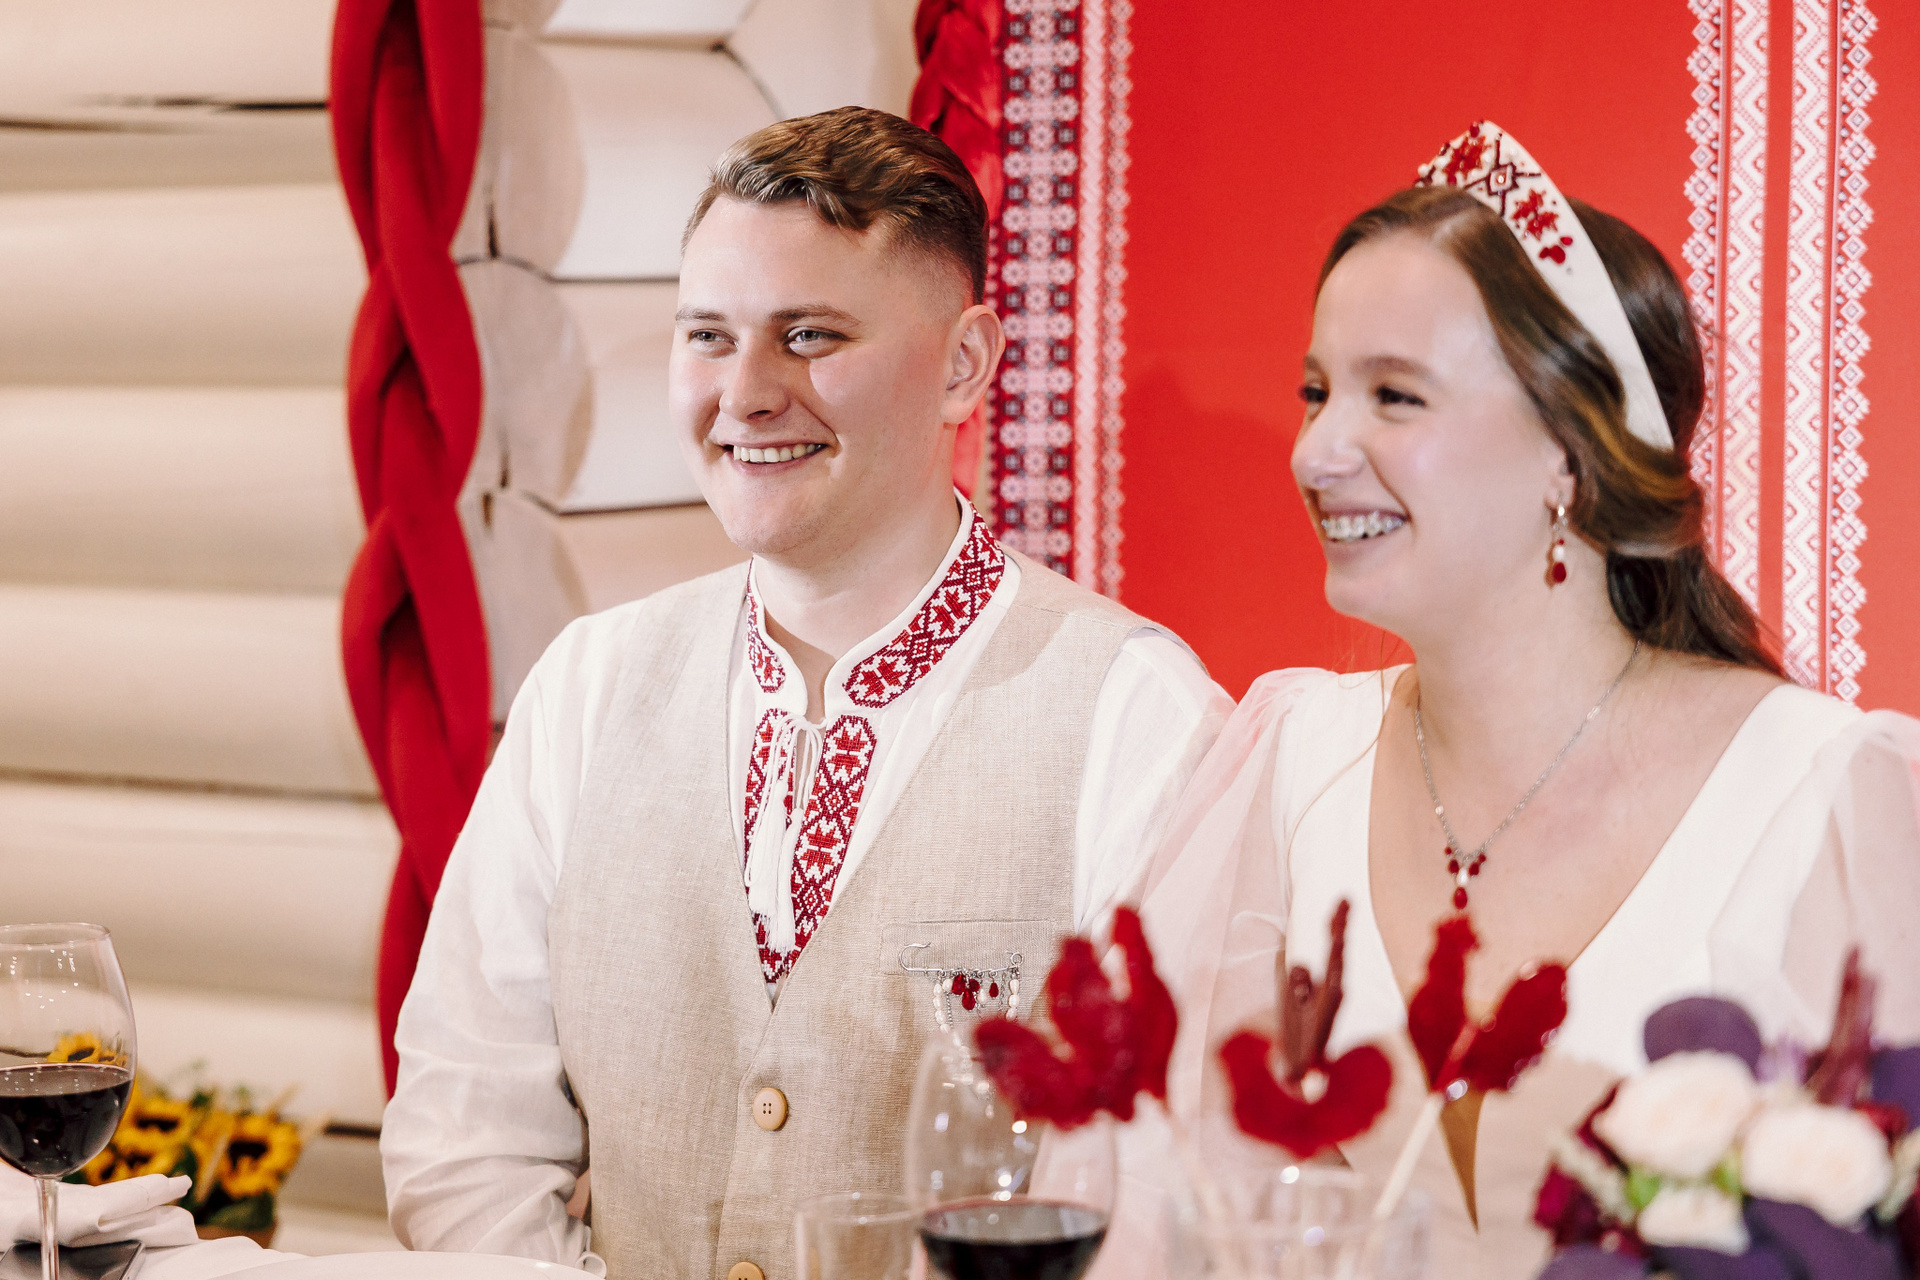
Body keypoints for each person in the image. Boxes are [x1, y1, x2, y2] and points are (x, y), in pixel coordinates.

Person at [379, 106, 1231, 1280]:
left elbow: (1161, 1196)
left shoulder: (1138, 716)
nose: (745, 392)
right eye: (708, 336)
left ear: (965, 363)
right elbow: (464, 1137)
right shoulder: (586, 684)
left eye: (810, 335)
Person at [1137, 122, 1920, 1279]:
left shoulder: (1826, 793)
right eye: (1315, 390)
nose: (1316, 450)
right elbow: (1171, 1209)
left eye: (1394, 394)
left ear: (1570, 451)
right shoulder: (1293, 756)